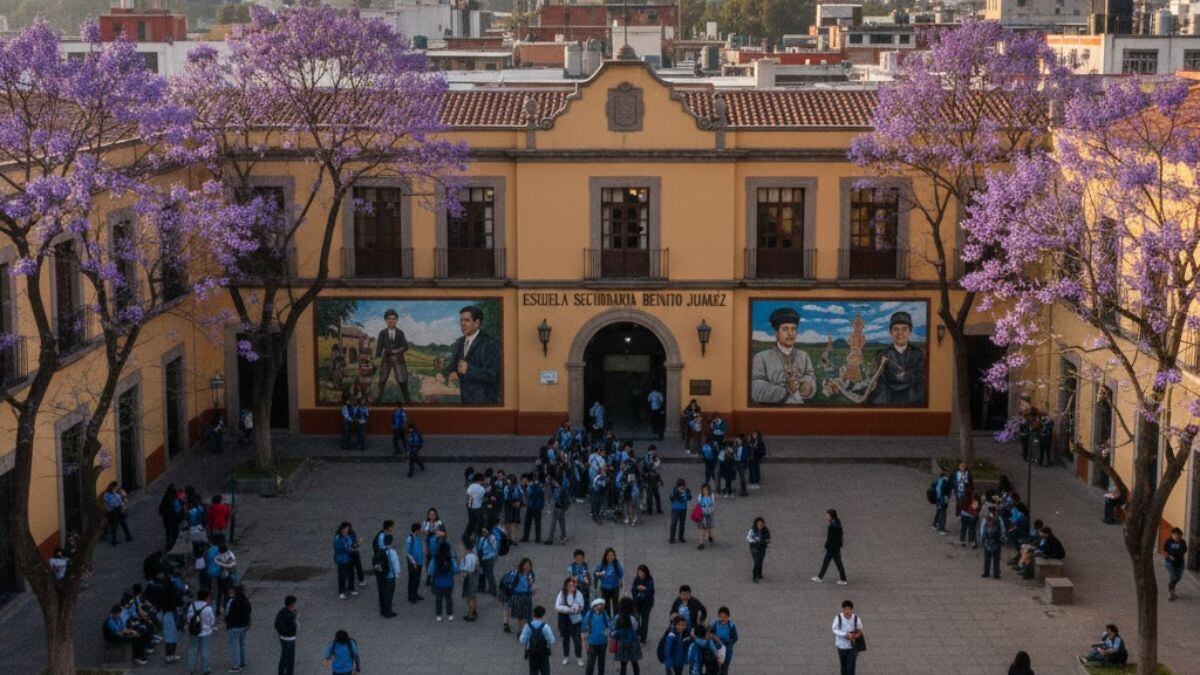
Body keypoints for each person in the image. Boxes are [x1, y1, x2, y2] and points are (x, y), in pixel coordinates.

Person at [751, 306, 816, 404]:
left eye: (793, 329)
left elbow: (810, 376)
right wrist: (786, 390)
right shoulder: (761, 357)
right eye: (785, 329)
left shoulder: (804, 356)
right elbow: (755, 388)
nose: (790, 333)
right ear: (776, 333)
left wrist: (808, 386)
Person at [441, 304, 501, 404]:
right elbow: (454, 365)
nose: (462, 324)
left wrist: (468, 369)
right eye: (461, 320)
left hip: (485, 402)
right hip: (465, 399)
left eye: (466, 320)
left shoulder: (490, 343)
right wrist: (444, 374)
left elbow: (492, 376)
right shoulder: (460, 342)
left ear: (476, 323)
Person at [867, 310, 925, 405]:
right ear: (891, 332)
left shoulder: (918, 354)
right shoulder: (881, 354)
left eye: (904, 329)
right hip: (887, 399)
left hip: (911, 400)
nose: (900, 333)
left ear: (910, 331)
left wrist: (906, 376)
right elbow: (876, 379)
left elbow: (921, 379)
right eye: (896, 329)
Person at [375, 308, 411, 403]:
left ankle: (408, 400)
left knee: (402, 380)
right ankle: (379, 399)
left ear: (396, 320)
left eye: (394, 318)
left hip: (398, 360)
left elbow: (406, 346)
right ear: (386, 320)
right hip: (386, 360)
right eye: (389, 319)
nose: (391, 320)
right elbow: (378, 350)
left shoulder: (400, 333)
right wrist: (385, 351)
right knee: (382, 380)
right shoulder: (382, 334)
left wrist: (397, 351)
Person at [556, 577, 586, 667]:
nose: (571, 586)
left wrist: (576, 610)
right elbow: (557, 607)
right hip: (564, 620)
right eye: (569, 585)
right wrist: (568, 610)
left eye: (573, 584)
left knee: (577, 640)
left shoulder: (579, 594)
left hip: (575, 621)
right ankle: (566, 656)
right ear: (566, 585)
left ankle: (579, 657)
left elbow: (582, 607)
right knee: (566, 640)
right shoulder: (561, 594)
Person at [812, 509, 847, 585]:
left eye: (828, 515)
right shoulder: (837, 523)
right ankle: (820, 577)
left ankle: (843, 579)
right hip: (835, 547)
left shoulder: (832, 526)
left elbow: (830, 538)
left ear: (831, 516)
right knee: (832, 562)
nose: (826, 517)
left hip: (832, 548)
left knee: (834, 563)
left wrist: (826, 546)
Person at [186, 589, 217, 675]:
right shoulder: (208, 608)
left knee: (192, 649)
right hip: (206, 632)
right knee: (205, 650)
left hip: (193, 631)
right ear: (207, 597)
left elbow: (188, 617)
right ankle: (206, 669)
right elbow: (212, 621)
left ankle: (191, 669)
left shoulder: (192, 605)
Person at [428, 538, 460, 621]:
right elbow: (456, 570)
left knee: (438, 599)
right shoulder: (451, 560)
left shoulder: (435, 560)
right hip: (449, 583)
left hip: (438, 583)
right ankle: (450, 614)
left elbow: (430, 572)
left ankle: (439, 615)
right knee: (449, 599)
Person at [521, 605, 557, 675]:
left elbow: (522, 640)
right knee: (545, 672)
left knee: (533, 672)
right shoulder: (546, 627)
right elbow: (552, 640)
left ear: (533, 614)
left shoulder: (528, 626)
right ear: (543, 615)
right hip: (543, 653)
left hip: (532, 653)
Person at [832, 600, 863, 675]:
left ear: (851, 610)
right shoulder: (838, 618)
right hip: (841, 646)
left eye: (848, 609)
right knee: (843, 666)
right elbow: (834, 629)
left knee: (850, 667)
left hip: (852, 647)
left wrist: (854, 635)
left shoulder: (856, 619)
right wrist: (845, 634)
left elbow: (860, 630)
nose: (847, 612)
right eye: (845, 609)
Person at [225, 585, 251, 673]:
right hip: (244, 626)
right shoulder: (245, 601)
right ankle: (243, 661)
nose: (230, 594)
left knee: (234, 646)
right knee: (242, 643)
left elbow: (227, 614)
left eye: (232, 592)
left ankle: (236, 665)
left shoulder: (232, 602)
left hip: (234, 627)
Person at [613, 597, 642, 675]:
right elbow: (636, 627)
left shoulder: (617, 617)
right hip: (632, 642)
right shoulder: (633, 617)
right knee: (635, 663)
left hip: (622, 644)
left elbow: (613, 629)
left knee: (623, 665)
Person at [582, 598, 611, 675]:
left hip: (602, 643)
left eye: (602, 605)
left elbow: (609, 626)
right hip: (592, 644)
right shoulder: (589, 615)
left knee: (601, 664)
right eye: (600, 605)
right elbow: (584, 628)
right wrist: (585, 643)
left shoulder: (604, 614)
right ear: (594, 606)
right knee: (590, 665)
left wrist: (605, 634)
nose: (601, 606)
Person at [510, 557, 537, 635]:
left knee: (528, 613)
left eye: (529, 565)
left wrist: (532, 589)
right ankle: (522, 630)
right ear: (522, 566)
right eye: (525, 565)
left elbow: (532, 582)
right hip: (519, 596)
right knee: (520, 614)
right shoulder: (517, 574)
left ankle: (529, 629)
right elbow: (512, 583)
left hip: (528, 596)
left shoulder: (531, 573)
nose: (527, 567)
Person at [375, 533, 399, 617]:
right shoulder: (391, 552)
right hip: (390, 576)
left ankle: (382, 610)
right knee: (389, 594)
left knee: (382, 593)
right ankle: (388, 611)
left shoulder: (380, 550)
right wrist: (397, 574)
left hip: (381, 576)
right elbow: (395, 564)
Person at [979, 505, 1006, 579]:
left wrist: (1002, 538)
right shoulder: (991, 519)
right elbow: (983, 531)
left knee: (995, 558)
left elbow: (1002, 531)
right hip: (990, 542)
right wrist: (982, 540)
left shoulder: (997, 519)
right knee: (990, 558)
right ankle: (990, 573)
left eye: (993, 511)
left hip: (995, 541)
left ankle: (994, 573)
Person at [102, 482, 133, 546]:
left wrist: (123, 498)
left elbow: (122, 502)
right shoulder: (106, 495)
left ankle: (126, 537)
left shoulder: (117, 495)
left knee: (121, 524)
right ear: (111, 488)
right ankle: (118, 539)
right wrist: (120, 502)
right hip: (112, 513)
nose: (116, 489)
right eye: (115, 488)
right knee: (116, 525)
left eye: (116, 488)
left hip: (117, 512)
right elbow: (112, 504)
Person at [596, 548, 624, 617]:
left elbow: (621, 574)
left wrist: (617, 565)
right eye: (608, 555)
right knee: (606, 607)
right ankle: (608, 622)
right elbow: (596, 573)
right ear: (606, 556)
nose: (610, 557)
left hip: (615, 588)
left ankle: (615, 621)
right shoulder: (602, 564)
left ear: (614, 556)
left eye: (612, 555)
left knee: (616, 607)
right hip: (604, 588)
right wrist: (599, 574)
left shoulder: (617, 564)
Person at [275, 595, 299, 675]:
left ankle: (287, 672)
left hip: (286, 638)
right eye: (295, 603)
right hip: (288, 638)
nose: (296, 605)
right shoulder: (289, 615)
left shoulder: (283, 611)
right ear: (292, 604)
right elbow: (292, 625)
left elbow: (277, 624)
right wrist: (294, 616)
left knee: (288, 657)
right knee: (287, 658)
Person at [630, 565, 654, 644]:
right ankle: (638, 633)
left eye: (643, 572)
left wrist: (645, 589)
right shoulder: (636, 579)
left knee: (645, 621)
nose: (641, 574)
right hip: (637, 603)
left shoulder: (649, 580)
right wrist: (637, 588)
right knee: (636, 620)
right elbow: (633, 590)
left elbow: (651, 591)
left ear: (646, 572)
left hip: (646, 604)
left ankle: (643, 637)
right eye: (640, 572)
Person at [333, 522, 356, 599]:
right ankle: (342, 591)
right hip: (341, 559)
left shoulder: (347, 537)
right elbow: (338, 549)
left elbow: (350, 544)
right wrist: (349, 549)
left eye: (347, 529)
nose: (346, 531)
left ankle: (349, 589)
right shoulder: (338, 538)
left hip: (347, 558)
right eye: (345, 529)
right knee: (342, 575)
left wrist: (353, 546)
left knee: (349, 573)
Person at [402, 523, 425, 604]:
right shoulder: (409, 539)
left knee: (417, 579)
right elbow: (408, 553)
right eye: (420, 529)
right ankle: (411, 596)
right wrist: (414, 562)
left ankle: (415, 594)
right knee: (413, 580)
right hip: (413, 564)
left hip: (419, 562)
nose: (421, 531)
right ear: (417, 530)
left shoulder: (417, 538)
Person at [713, 607, 739, 675]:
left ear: (728, 617)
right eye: (721, 617)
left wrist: (727, 642)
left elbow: (735, 638)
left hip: (727, 651)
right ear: (718, 616)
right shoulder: (715, 624)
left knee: (724, 669)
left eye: (725, 617)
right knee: (715, 668)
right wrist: (714, 638)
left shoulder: (731, 626)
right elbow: (709, 634)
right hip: (716, 649)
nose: (722, 619)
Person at [158, 483, 183, 551]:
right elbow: (178, 509)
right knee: (175, 532)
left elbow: (160, 510)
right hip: (174, 520)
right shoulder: (174, 500)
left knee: (168, 533)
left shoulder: (165, 499)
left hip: (167, 521)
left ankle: (169, 546)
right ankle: (175, 545)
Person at [1164, 527, 1188, 601]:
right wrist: (1169, 556)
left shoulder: (1182, 542)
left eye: (1180, 537)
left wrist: (1177, 554)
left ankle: (1172, 589)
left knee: (1178, 578)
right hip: (1170, 563)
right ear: (1172, 535)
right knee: (1173, 577)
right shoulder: (1168, 542)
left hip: (1180, 563)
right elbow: (1165, 551)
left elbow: (1184, 550)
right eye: (1177, 537)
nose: (1178, 539)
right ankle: (1170, 592)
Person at [545, 475, 570, 545]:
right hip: (562, 508)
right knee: (562, 522)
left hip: (557, 508)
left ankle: (550, 539)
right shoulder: (562, 488)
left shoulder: (557, 489)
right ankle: (563, 535)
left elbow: (555, 498)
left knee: (553, 523)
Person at [460, 538, 480, 621]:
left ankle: (470, 614)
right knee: (473, 595)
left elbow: (467, 569)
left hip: (469, 577)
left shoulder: (468, 557)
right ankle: (474, 610)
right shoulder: (475, 556)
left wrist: (462, 573)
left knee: (469, 597)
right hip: (475, 577)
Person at [746, 517, 770, 582]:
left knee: (761, 560)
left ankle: (759, 573)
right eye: (759, 524)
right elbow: (748, 538)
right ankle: (755, 576)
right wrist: (755, 540)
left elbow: (768, 539)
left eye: (761, 524)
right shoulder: (753, 530)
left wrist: (766, 541)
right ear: (756, 524)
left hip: (762, 547)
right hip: (754, 548)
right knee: (757, 561)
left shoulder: (766, 530)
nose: (760, 526)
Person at [523, 473, 546, 543]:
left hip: (534, 505)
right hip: (534, 505)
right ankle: (536, 538)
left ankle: (527, 537)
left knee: (533, 523)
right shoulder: (539, 485)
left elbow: (528, 494)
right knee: (534, 523)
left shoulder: (534, 485)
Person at [465, 473, 487, 542]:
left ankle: (469, 536)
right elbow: (482, 497)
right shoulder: (481, 489)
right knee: (480, 522)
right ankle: (478, 536)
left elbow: (468, 495)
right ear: (480, 480)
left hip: (471, 508)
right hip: (478, 508)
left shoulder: (470, 486)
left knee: (471, 523)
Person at [931, 467, 951, 534]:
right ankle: (941, 528)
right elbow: (939, 491)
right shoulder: (944, 481)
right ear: (946, 473)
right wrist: (940, 499)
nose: (949, 474)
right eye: (948, 473)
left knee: (939, 511)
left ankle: (935, 525)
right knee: (943, 513)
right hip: (942, 500)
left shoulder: (941, 480)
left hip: (941, 499)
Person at [696, 483, 715, 550]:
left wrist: (711, 509)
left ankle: (710, 536)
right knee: (702, 529)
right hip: (702, 515)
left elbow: (713, 505)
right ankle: (701, 543)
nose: (705, 491)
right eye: (704, 490)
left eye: (707, 490)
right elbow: (698, 505)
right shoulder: (700, 496)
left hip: (709, 514)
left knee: (709, 526)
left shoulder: (711, 496)